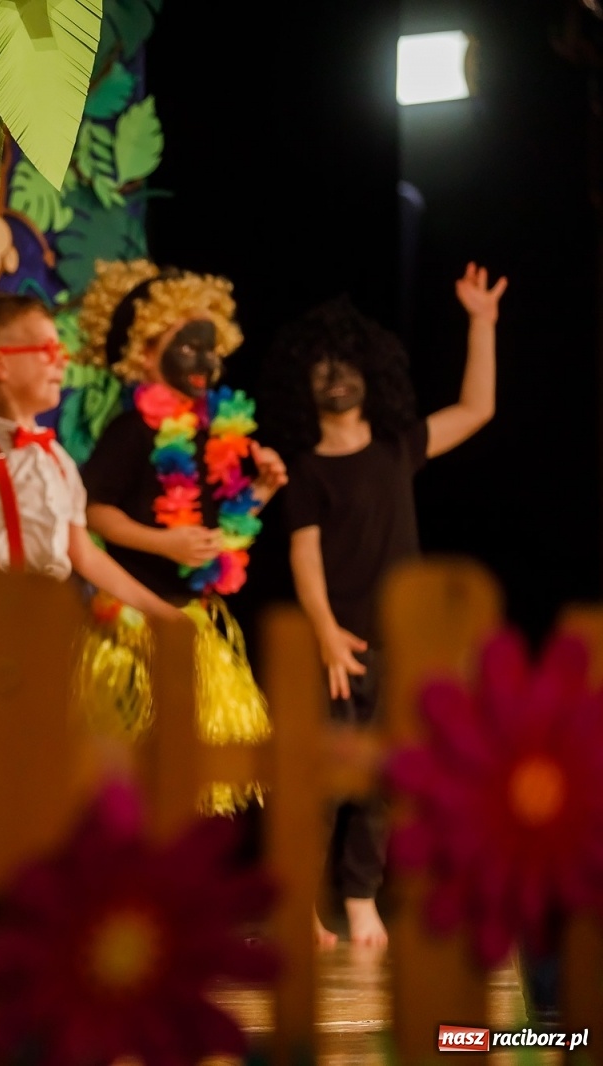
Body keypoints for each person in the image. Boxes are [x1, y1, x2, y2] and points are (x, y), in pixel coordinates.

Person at [264, 263, 506, 948]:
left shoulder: (400, 449)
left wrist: (481, 323)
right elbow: (304, 557)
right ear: (302, 384)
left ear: (372, 373)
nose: (336, 376)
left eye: (347, 364)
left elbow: (477, 409)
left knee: (385, 779)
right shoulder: (306, 468)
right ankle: (305, 912)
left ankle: (363, 895)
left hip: (402, 644)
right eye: (322, 368)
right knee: (321, 784)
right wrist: (326, 635)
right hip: (338, 647)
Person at [76, 260, 288, 812]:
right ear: (146, 353)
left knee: (196, 775)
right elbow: (93, 512)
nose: (205, 360)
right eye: (189, 346)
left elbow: (226, 533)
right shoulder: (133, 431)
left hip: (199, 619)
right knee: (137, 769)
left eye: (212, 348)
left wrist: (262, 491)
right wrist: (161, 542)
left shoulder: (219, 432)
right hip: (136, 622)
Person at [0, 290, 178, 619]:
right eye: (48, 350)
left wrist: (161, 613)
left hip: (49, 621)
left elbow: (84, 554)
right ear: (0, 364)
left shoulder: (58, 461)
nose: (63, 360)